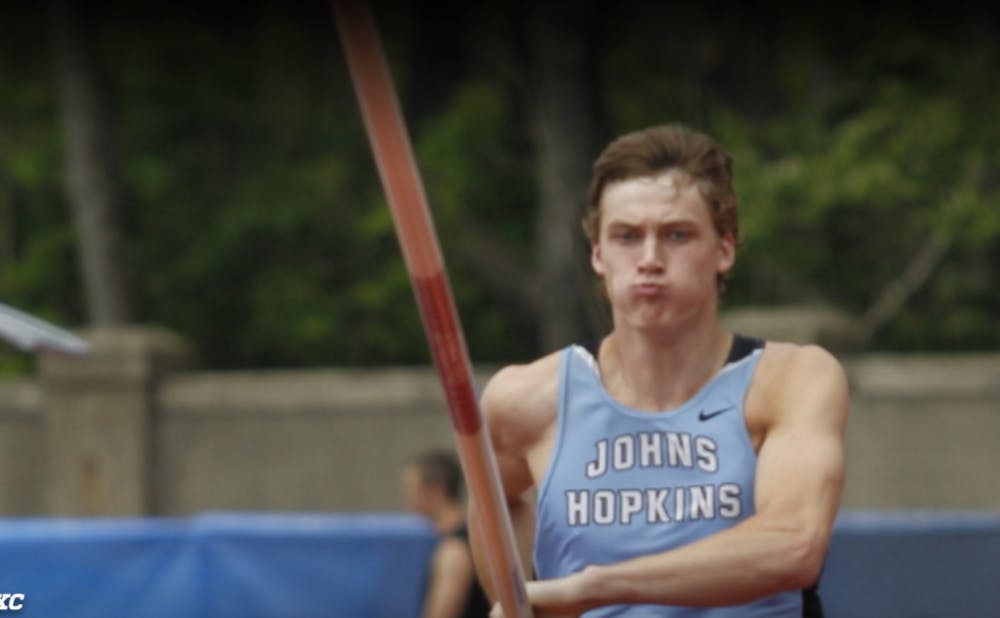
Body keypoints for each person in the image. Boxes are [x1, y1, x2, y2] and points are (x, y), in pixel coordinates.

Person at [470, 124, 848, 617]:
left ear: (724, 249)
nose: (649, 259)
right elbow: (496, 504)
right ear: (598, 255)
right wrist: (519, 593)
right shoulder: (526, 399)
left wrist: (590, 589)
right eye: (627, 237)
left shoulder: (787, 381)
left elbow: (794, 546)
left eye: (676, 235)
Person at [402, 449, 492, 618]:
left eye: (411, 488)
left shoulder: (454, 549)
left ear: (437, 491)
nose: (407, 498)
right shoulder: (468, 537)